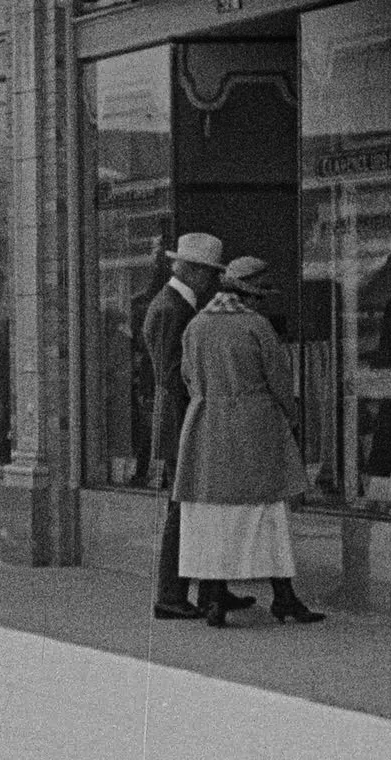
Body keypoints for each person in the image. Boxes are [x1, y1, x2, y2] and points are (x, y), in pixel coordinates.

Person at [173, 255, 325, 627]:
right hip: (253, 427)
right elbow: (279, 379)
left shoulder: (196, 325)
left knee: (212, 516)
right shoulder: (256, 326)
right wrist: (291, 416)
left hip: (205, 427)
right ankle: (284, 597)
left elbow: (188, 376)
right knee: (267, 514)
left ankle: (214, 598)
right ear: (250, 294)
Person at [142, 232, 255, 620]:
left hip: (184, 417)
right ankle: (171, 595)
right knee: (184, 509)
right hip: (181, 419)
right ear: (189, 269)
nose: (210, 280)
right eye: (207, 272)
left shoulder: (178, 305)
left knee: (200, 506)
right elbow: (172, 373)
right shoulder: (170, 309)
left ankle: (210, 591)